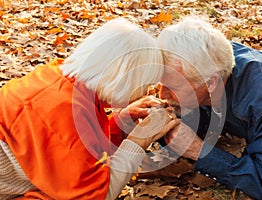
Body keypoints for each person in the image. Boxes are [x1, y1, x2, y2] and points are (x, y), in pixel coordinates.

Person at [0, 17, 179, 200]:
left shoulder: (63, 84)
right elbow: (96, 195)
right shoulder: (64, 111)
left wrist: (123, 120)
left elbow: (81, 154)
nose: (145, 91)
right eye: (144, 84)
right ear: (124, 78)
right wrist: (140, 140)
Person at [157, 17, 262, 200]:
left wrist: (199, 151)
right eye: (161, 84)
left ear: (210, 83)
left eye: (171, 88)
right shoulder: (210, 58)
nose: (161, 95)